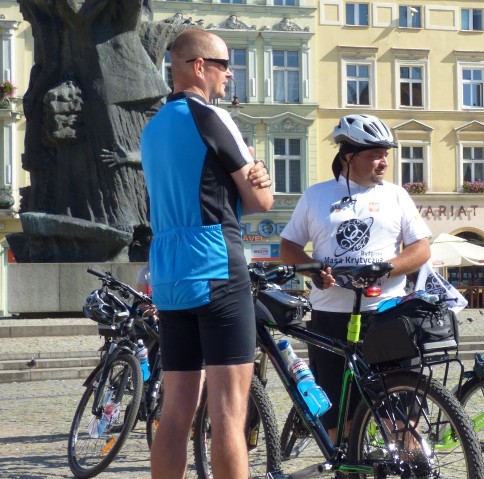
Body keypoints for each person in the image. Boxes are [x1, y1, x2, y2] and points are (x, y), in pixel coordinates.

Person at [141, 29, 274, 479]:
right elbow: (260, 203)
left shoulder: (153, 127)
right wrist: (262, 176)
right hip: (216, 264)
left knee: (175, 411)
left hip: (169, 274)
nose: (228, 74)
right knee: (228, 415)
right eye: (223, 65)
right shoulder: (212, 117)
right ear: (199, 66)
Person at [279, 113, 432, 438]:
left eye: (385, 154)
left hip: (387, 315)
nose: (384, 162)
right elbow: (288, 245)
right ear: (349, 156)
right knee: (340, 426)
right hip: (330, 320)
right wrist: (312, 269)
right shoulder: (316, 195)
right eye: (375, 154)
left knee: (403, 423)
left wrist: (386, 268)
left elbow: (421, 249)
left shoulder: (396, 195)